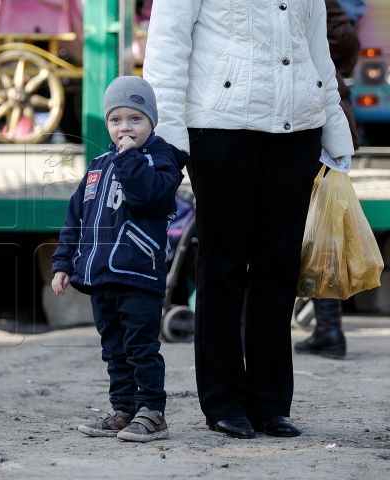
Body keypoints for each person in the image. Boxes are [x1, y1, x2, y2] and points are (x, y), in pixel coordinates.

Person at [144, 0, 355, 439]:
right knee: (222, 266)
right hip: (219, 127)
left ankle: (271, 403)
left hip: (298, 128)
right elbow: (167, 45)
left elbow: (317, 47)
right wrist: (169, 137)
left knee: (280, 266)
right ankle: (224, 402)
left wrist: (334, 125)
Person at [51, 76, 188, 442]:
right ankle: (125, 408)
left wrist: (129, 158)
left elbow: (149, 198)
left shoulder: (162, 160)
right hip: (101, 277)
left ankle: (153, 413)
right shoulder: (97, 164)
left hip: (138, 274)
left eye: (135, 119)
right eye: (116, 120)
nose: (124, 127)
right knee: (113, 348)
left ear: (151, 121)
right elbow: (74, 220)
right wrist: (64, 263)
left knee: (141, 346)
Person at [295, 0, 364, 360]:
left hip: (313, 119)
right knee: (323, 231)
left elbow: (342, 39)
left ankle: (328, 330)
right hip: (321, 116)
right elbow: (346, 39)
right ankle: (329, 329)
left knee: (311, 227)